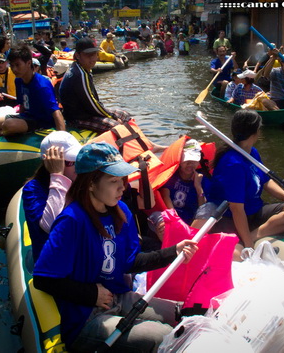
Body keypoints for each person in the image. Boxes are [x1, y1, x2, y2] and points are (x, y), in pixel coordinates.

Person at [33, 142, 198, 352]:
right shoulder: (71, 221)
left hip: (118, 296)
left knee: (182, 314)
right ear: (90, 184)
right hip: (86, 315)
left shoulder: (120, 211)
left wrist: (173, 252)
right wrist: (90, 294)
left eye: (122, 179)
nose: (122, 187)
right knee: (161, 336)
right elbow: (43, 278)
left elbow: (129, 262)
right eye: (113, 181)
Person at [207, 110, 284, 252]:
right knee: (236, 253)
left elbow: (265, 181)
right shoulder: (233, 164)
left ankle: (255, 235)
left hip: (254, 210)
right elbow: (237, 210)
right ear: (256, 132)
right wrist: (249, 247)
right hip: (231, 218)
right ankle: (246, 239)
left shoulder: (252, 152)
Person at [23, 131, 81, 262]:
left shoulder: (79, 181)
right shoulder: (33, 189)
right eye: (70, 163)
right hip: (53, 264)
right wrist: (57, 176)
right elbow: (52, 226)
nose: (77, 166)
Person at [60, 38, 132, 133]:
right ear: (78, 55)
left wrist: (110, 114)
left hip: (86, 112)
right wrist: (111, 116)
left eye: (94, 54)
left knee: (124, 114)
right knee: (117, 127)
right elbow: (92, 104)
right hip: (77, 118)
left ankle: (141, 142)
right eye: (88, 56)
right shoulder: (80, 74)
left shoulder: (81, 68)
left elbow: (93, 101)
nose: (93, 59)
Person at [160, 139, 209, 226]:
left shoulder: (202, 179)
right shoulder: (171, 175)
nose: (190, 164)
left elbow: (203, 208)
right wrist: (176, 219)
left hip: (191, 221)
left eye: (194, 161)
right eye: (187, 161)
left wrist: (198, 187)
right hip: (172, 217)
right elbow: (165, 196)